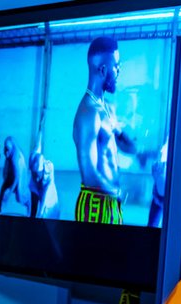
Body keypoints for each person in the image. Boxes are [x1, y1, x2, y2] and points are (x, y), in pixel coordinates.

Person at [72, 36, 139, 225]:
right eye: (116, 66)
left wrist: (119, 131)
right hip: (95, 204)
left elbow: (130, 148)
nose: (119, 71)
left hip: (110, 201)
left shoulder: (106, 108)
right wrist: (118, 192)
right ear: (102, 70)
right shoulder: (89, 113)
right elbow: (89, 175)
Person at [0, 136, 31, 215]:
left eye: (8, 149)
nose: (6, 151)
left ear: (12, 149)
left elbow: (17, 178)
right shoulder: (9, 154)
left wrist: (9, 193)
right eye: (5, 148)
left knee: (20, 197)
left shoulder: (15, 159)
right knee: (3, 189)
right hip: (12, 174)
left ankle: (29, 204)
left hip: (19, 177)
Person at [28, 152, 60, 219]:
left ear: (42, 171)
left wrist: (39, 215)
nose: (36, 178)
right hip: (38, 189)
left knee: (46, 214)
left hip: (50, 203)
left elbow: (44, 201)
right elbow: (33, 200)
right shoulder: (33, 179)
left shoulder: (48, 183)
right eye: (34, 175)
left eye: (38, 175)